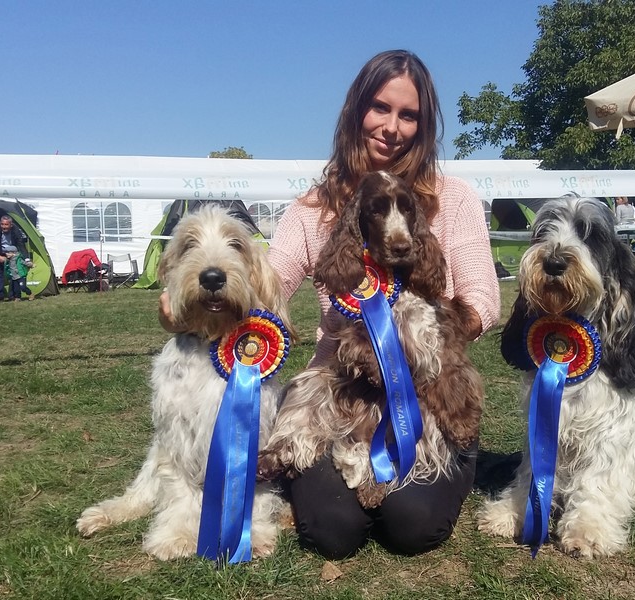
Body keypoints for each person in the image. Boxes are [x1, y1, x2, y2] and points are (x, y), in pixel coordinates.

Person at [159, 49, 500, 558]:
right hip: (339, 396)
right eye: (380, 108)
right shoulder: (311, 210)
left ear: (424, 126)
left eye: (408, 115)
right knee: (332, 531)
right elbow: (268, 283)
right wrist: (196, 292)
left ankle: (446, 463)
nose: (392, 127)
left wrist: (411, 344)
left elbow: (483, 301)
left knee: (411, 525)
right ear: (356, 111)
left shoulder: (453, 198)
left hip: (428, 398)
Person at [0, 214, 31, 301]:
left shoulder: (16, 231)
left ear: (11, 225)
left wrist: (27, 259)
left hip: (13, 254)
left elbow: (21, 244)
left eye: (6, 224)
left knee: (13, 275)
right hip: (0, 253)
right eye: (2, 224)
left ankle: (12, 295)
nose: (4, 226)